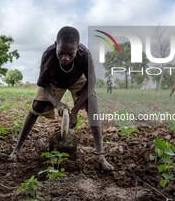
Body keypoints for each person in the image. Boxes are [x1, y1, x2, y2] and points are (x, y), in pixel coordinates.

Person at [9, 26, 114, 170]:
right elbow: (44, 85)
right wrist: (57, 104)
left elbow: (91, 82)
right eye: (61, 53)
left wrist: (75, 110)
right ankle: (17, 149)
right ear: (55, 45)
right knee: (36, 107)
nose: (65, 57)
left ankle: (101, 155)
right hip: (54, 82)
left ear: (77, 48)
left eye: (70, 53)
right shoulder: (49, 55)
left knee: (92, 106)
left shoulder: (85, 56)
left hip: (77, 80)